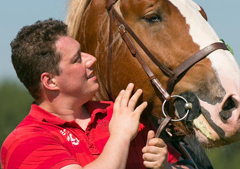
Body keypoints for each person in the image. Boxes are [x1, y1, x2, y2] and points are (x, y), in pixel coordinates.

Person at [1, 19, 191, 169]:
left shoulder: (122, 114)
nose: (91, 59)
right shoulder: (25, 142)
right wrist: (121, 136)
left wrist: (165, 167)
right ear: (50, 81)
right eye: (77, 59)